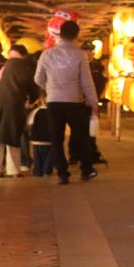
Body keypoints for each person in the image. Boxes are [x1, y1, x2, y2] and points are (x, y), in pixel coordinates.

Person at [34, 20, 100, 184]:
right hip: (74, 101)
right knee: (80, 136)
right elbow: (87, 82)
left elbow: (38, 79)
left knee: (56, 138)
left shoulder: (47, 54)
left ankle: (62, 173)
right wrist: (93, 103)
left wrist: (50, 88)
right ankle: (86, 169)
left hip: (54, 102)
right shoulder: (80, 55)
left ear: (60, 34)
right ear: (76, 35)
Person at [0, 44, 38, 177]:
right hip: (15, 104)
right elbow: (32, 86)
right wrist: (31, 99)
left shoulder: (9, 65)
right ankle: (14, 170)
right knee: (12, 136)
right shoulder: (28, 67)